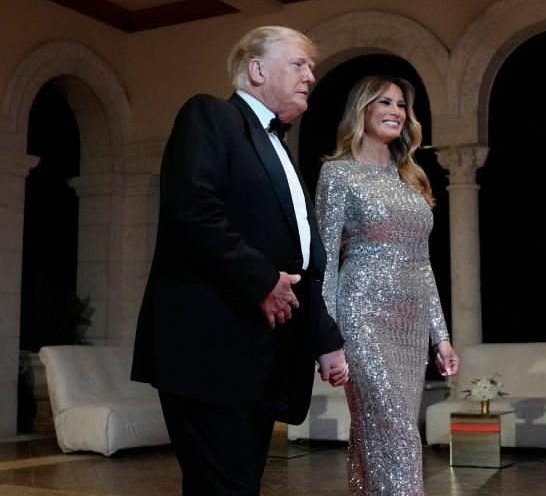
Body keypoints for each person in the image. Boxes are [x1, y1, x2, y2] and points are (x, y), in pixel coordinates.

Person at [131, 26, 348, 496]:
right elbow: (192, 212)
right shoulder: (209, 115)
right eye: (298, 64)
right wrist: (261, 282)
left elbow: (303, 256)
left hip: (257, 358)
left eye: (311, 67)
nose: (311, 75)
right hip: (210, 350)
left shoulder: (281, 150)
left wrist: (323, 338)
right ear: (256, 70)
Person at [315, 75, 459, 495]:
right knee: (396, 429)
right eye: (385, 102)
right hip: (362, 316)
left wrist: (441, 337)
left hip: (411, 325)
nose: (396, 111)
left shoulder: (410, 177)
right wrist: (327, 339)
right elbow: (325, 260)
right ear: (362, 110)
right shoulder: (337, 174)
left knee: (381, 434)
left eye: (402, 105)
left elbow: (422, 263)